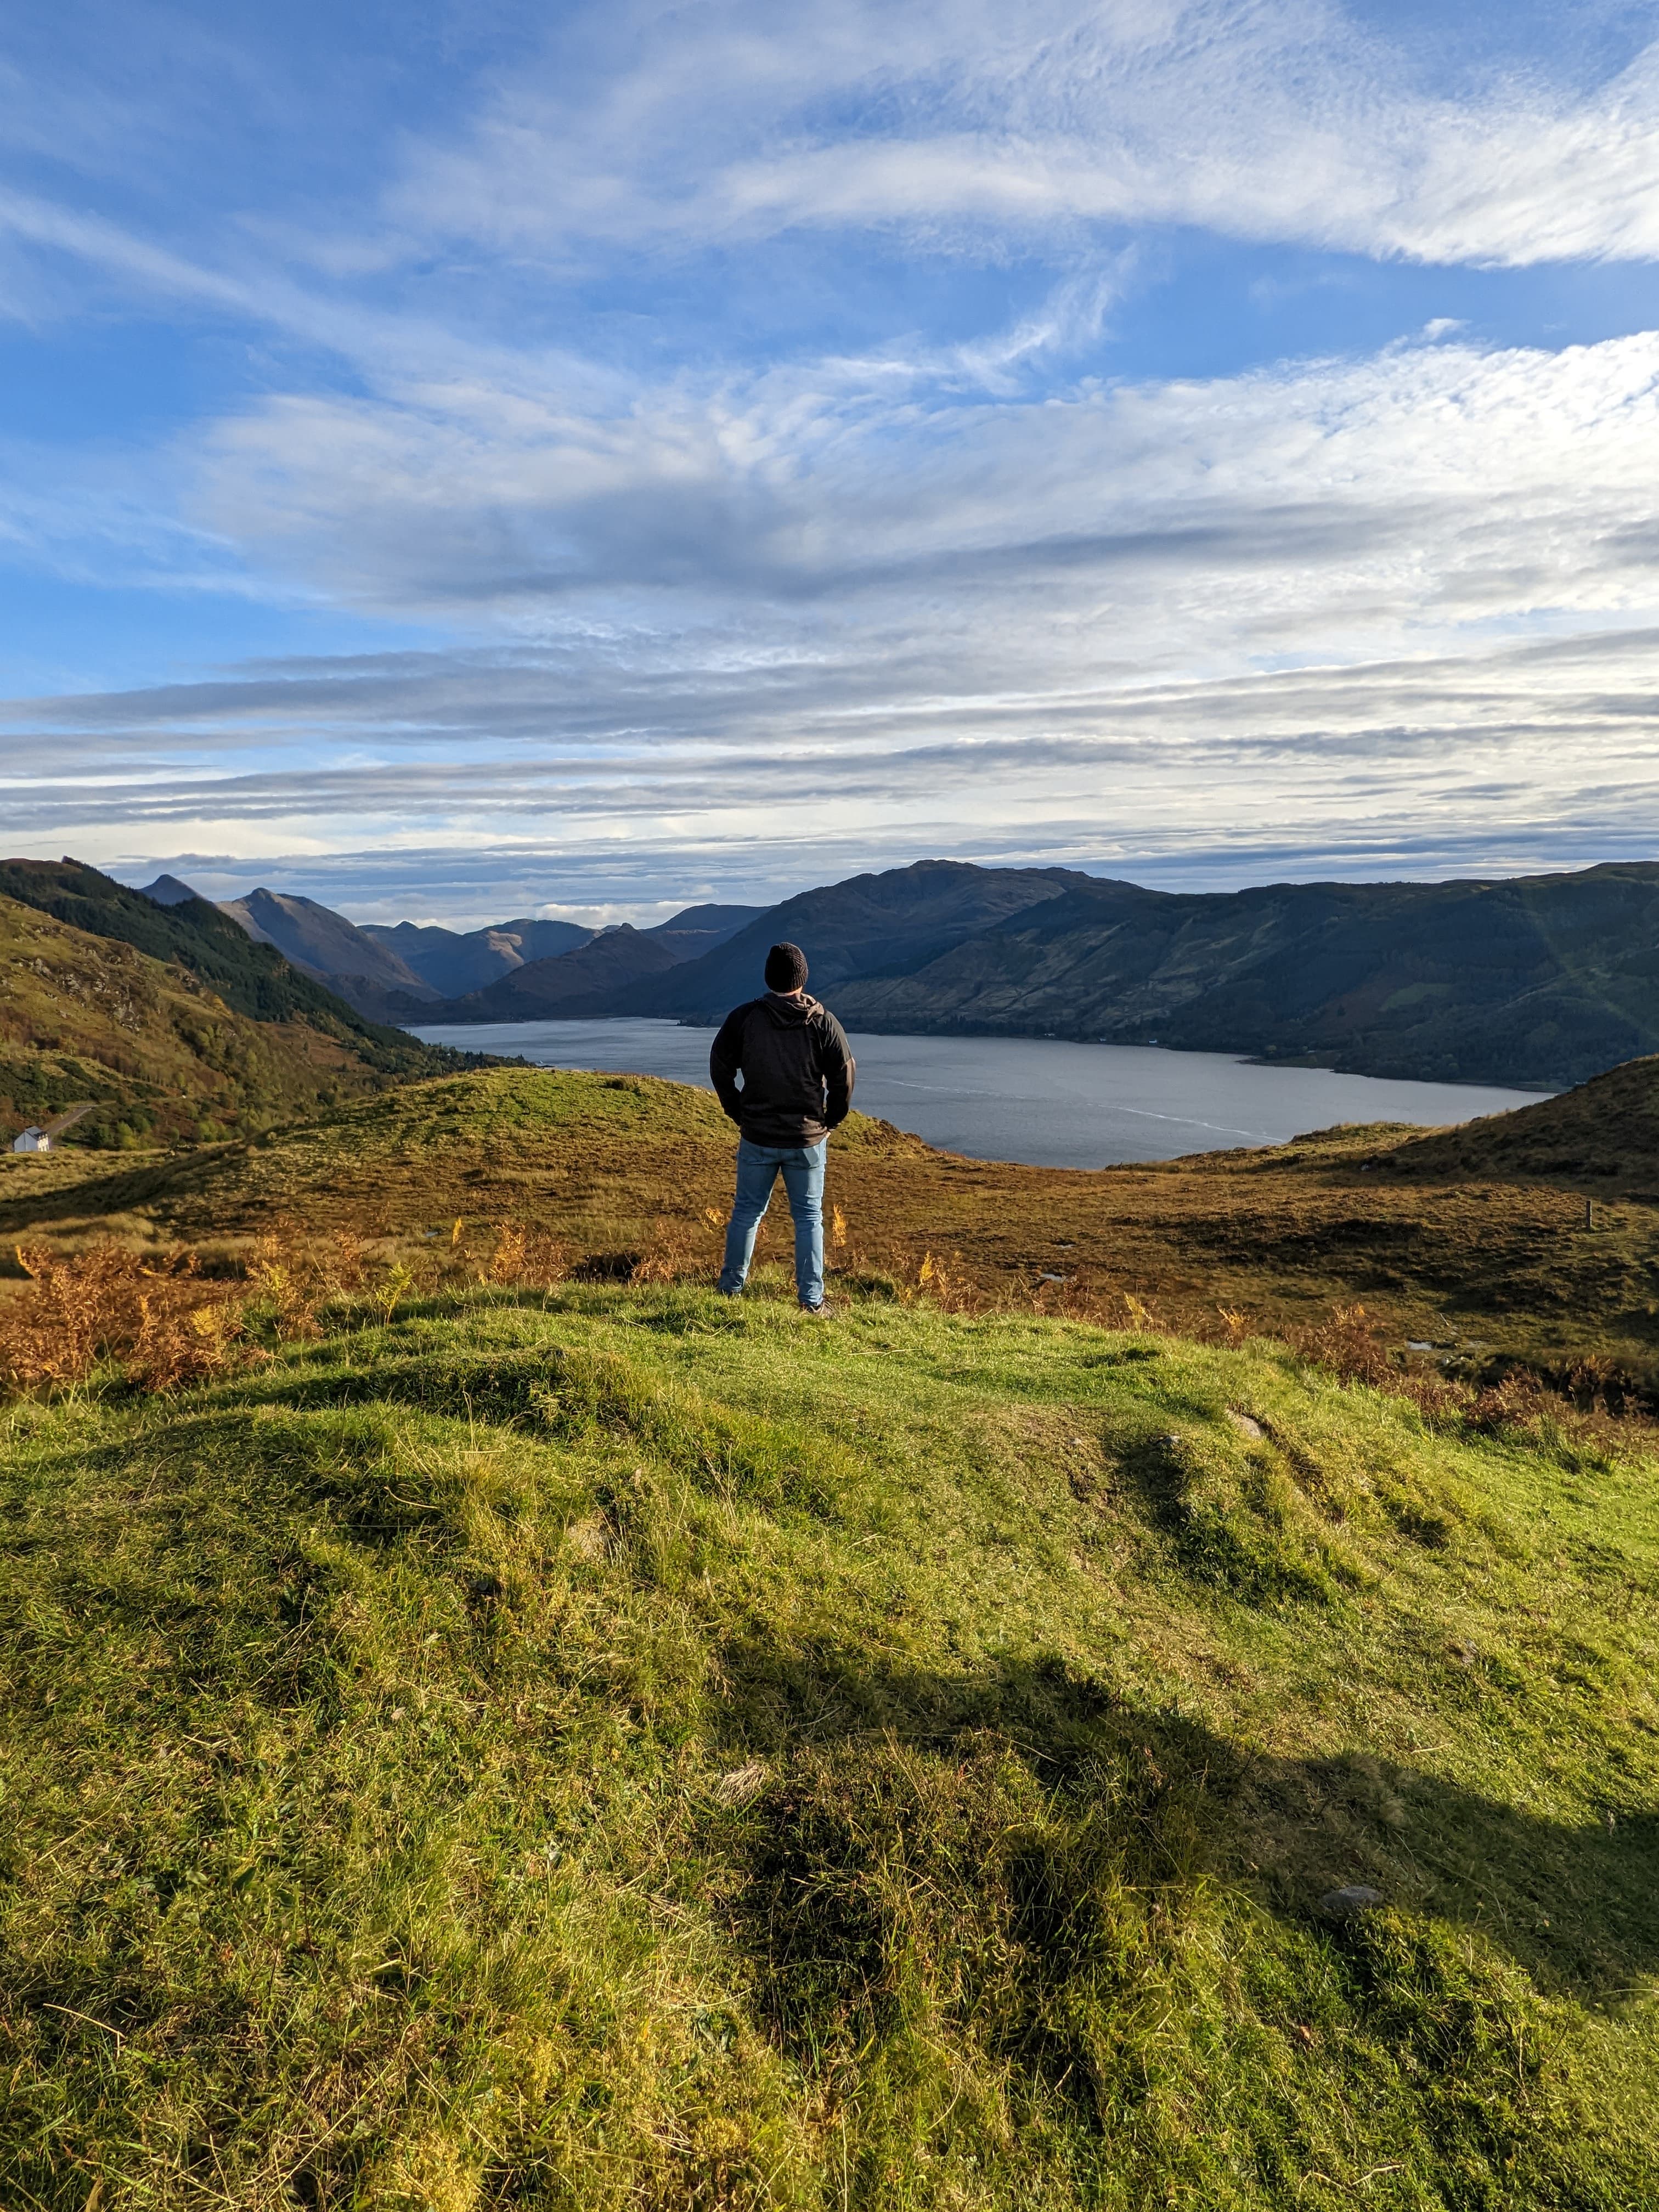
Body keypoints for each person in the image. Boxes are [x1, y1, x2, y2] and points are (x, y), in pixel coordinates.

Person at [709, 941, 855, 1314]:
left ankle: (730, 1292)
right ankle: (811, 1301)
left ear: (768, 977)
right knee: (808, 1218)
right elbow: (844, 1076)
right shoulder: (823, 1021)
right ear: (803, 978)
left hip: (757, 1135)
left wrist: (737, 1109)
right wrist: (831, 1120)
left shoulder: (745, 1018)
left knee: (746, 1213)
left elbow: (720, 1064)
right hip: (806, 1139)